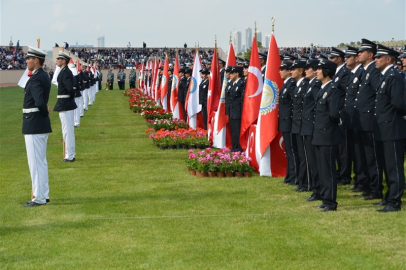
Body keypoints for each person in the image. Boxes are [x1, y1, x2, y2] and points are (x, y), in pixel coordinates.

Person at [373, 44, 406, 212]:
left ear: (388, 59)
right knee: (387, 166)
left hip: (392, 128)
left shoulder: (394, 76)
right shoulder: (384, 76)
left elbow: (399, 103)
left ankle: (395, 201)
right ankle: (389, 196)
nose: (375, 59)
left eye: (379, 57)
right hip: (383, 128)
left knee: (394, 167)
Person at [22, 46, 52, 207]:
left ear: (36, 60)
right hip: (38, 123)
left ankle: (39, 197)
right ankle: (43, 194)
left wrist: (43, 108)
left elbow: (40, 102)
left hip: (34, 123)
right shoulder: (42, 76)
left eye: (29, 58)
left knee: (36, 163)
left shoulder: (35, 79)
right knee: (40, 161)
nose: (26, 61)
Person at [353, 39, 382, 199]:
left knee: (372, 159)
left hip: (369, 121)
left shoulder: (373, 71)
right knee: (365, 157)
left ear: (370, 54)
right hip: (362, 121)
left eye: (361, 52)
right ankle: (369, 186)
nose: (359, 54)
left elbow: (379, 94)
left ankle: (376, 189)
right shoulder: (366, 71)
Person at [313, 59, 342, 212]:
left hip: (328, 135)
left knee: (328, 170)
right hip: (319, 134)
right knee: (322, 169)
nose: (316, 71)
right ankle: (325, 198)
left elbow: (334, 114)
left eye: (319, 69)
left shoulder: (333, 89)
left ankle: (331, 202)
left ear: (327, 71)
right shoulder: (323, 88)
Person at [328, 47, 351, 186]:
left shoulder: (344, 73)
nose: (330, 60)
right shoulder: (336, 73)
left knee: (344, 148)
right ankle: (340, 172)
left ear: (339, 59)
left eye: (333, 58)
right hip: (336, 112)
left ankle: (345, 175)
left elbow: (345, 92)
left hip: (342, 112)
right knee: (338, 146)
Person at [301, 59, 322, 201]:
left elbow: (317, 105)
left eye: (308, 68)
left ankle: (317, 190)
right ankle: (316, 189)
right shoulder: (311, 84)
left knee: (314, 162)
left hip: (312, 126)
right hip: (307, 126)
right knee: (311, 160)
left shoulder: (316, 84)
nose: (305, 71)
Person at [290, 60, 310, 192]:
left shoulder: (305, 84)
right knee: (298, 154)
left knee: (304, 157)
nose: (291, 71)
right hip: (296, 123)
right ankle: (301, 181)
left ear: (301, 71)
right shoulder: (298, 84)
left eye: (294, 69)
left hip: (302, 124)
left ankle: (306, 183)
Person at [278, 61, 299, 186]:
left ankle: (294, 176)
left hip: (289, 121)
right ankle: (290, 176)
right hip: (285, 121)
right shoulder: (286, 84)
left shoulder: (291, 84)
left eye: (282, 69)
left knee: (292, 150)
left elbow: (293, 104)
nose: (280, 72)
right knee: (289, 151)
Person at [54, 51, 77, 162]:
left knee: (68, 131)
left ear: (63, 61)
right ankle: (69, 153)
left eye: (58, 59)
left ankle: (70, 155)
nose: (56, 60)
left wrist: (69, 98)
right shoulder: (63, 71)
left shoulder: (66, 72)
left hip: (65, 103)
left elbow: (70, 89)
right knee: (66, 130)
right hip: (63, 102)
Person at [228, 66, 245, 152]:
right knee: (233, 131)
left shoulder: (241, 83)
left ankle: (238, 148)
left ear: (237, 73)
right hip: (232, 111)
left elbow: (242, 99)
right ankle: (234, 147)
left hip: (238, 111)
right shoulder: (233, 84)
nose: (230, 75)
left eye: (232, 73)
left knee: (237, 131)